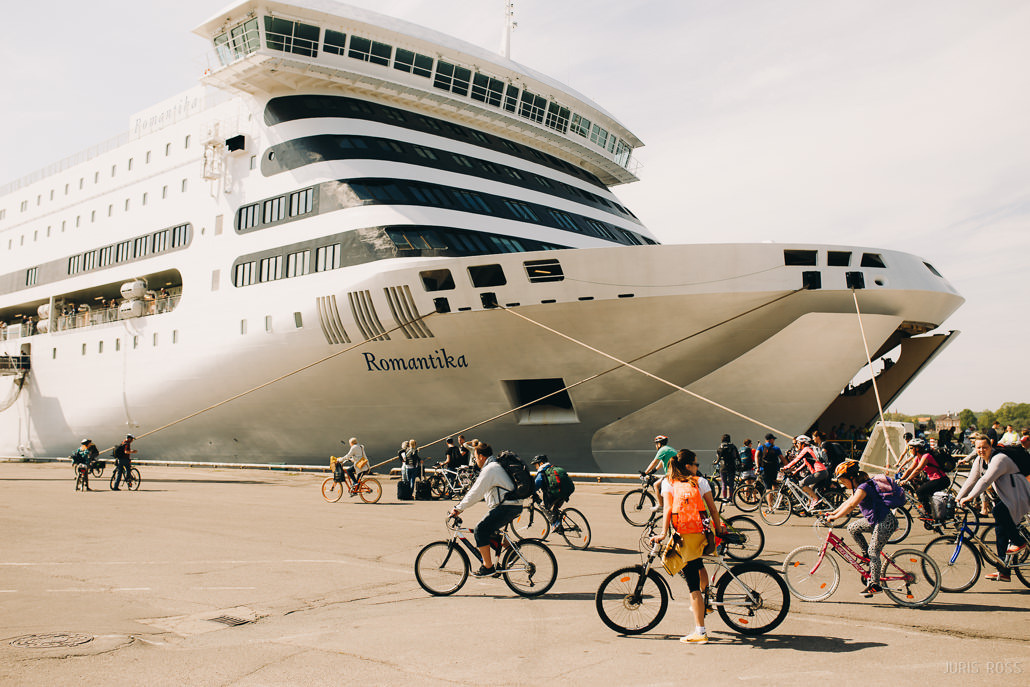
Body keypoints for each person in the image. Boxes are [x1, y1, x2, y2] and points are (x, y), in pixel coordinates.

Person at [651, 449, 724, 644]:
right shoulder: (700, 482)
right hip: (702, 534)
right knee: (698, 565)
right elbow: (713, 509)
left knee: (692, 585)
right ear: (688, 466)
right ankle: (706, 602)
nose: (698, 468)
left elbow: (667, 509)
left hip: (683, 535)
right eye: (696, 465)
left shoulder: (668, 482)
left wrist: (663, 533)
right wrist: (719, 530)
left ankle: (700, 631)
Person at [956, 435, 1030, 582]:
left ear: (991, 447)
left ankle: (1019, 542)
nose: (981, 450)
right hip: (1007, 498)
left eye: (985, 447)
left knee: (997, 512)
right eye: (978, 447)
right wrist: (958, 497)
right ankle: (1003, 570)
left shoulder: (999, 459)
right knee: (1000, 532)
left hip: (1019, 495)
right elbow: (972, 479)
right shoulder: (979, 460)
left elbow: (985, 480)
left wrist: (970, 498)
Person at [449, 443, 523, 578]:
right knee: (490, 531)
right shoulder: (495, 466)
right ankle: (512, 551)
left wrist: (458, 508)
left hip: (507, 506)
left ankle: (488, 567)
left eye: (475, 457)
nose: (475, 460)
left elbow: (476, 492)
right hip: (512, 505)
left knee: (480, 530)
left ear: (482, 457)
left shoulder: (491, 469)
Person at [826, 461, 899, 597]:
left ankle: (875, 584)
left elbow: (852, 505)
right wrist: (833, 513)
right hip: (875, 520)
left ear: (851, 477)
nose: (843, 484)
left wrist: (835, 518)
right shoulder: (859, 487)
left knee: (874, 551)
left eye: (843, 480)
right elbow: (847, 502)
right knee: (853, 528)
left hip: (884, 522)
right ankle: (867, 556)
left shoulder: (864, 487)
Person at [898, 438, 949, 523]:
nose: (909, 450)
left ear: (917, 448)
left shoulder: (926, 456)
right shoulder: (918, 458)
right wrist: (901, 479)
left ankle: (928, 514)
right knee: (922, 489)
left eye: (911, 448)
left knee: (920, 492)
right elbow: (910, 470)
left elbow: (918, 470)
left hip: (941, 480)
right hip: (934, 480)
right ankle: (934, 513)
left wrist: (906, 480)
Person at [782, 435, 828, 510]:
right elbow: (804, 464)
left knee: (802, 483)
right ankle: (810, 505)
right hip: (823, 471)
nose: (797, 445)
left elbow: (796, 460)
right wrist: (796, 471)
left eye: (798, 443)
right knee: (810, 488)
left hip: (819, 472)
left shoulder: (806, 449)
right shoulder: (811, 449)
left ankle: (816, 500)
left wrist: (786, 467)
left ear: (803, 443)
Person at [531, 455, 574, 527]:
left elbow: (536, 484)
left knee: (543, 505)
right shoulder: (553, 468)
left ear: (541, 463)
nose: (536, 467)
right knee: (555, 508)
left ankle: (555, 524)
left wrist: (529, 492)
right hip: (564, 493)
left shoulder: (542, 472)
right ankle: (559, 524)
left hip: (555, 494)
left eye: (536, 464)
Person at [643, 435, 677, 513]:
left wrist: (645, 472)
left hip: (672, 474)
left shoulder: (662, 450)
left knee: (656, 485)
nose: (656, 446)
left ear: (659, 444)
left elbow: (654, 462)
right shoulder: (668, 449)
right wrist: (653, 471)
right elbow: (661, 463)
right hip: (675, 473)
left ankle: (661, 506)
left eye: (656, 444)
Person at [757, 434, 783, 511]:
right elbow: (782, 458)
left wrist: (757, 467)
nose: (774, 441)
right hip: (774, 469)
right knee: (775, 485)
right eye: (773, 439)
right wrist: (788, 466)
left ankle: (770, 507)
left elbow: (756, 456)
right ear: (771, 440)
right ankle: (777, 502)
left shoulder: (761, 447)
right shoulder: (776, 448)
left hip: (764, 470)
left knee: (768, 488)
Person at [716, 434, 738, 501]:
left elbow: (718, 457)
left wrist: (716, 462)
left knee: (724, 483)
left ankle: (725, 498)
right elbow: (737, 455)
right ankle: (731, 498)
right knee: (731, 484)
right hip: (731, 466)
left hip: (723, 467)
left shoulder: (720, 446)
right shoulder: (733, 446)